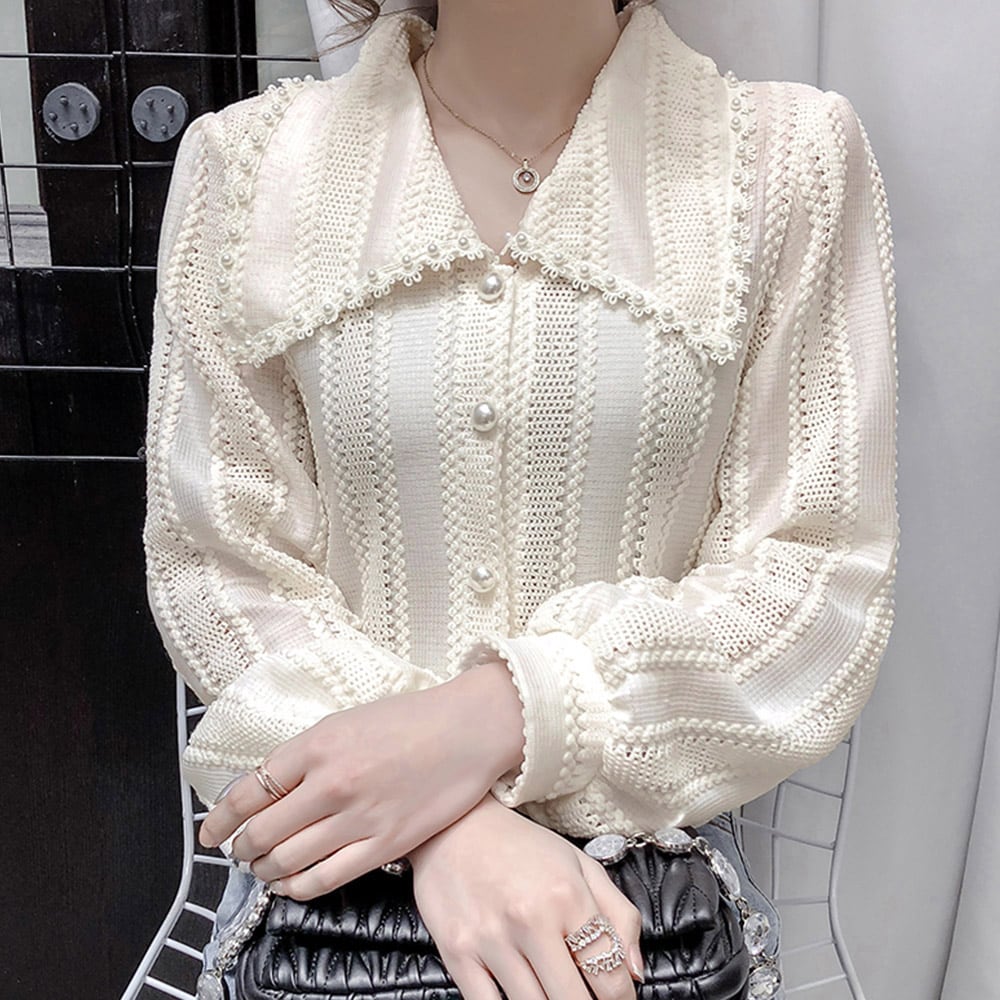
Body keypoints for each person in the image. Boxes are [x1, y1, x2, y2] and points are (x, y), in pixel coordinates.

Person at [142, 0, 899, 997]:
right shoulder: (248, 167)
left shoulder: (785, 160)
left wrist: (506, 714)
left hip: (648, 909)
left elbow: (814, 582)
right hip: (331, 926)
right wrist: (446, 828)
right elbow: (217, 567)